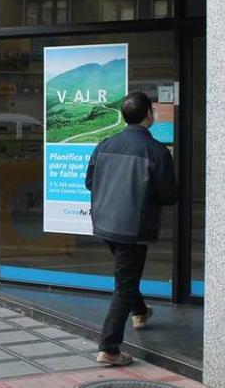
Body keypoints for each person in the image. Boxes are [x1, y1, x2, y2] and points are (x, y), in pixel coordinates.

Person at [85, 91, 178, 366]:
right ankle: (109, 348)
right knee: (124, 285)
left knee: (127, 274)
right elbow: (168, 196)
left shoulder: (104, 144)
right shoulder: (157, 151)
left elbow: (89, 182)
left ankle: (140, 311)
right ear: (149, 114)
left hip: (104, 223)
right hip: (132, 229)